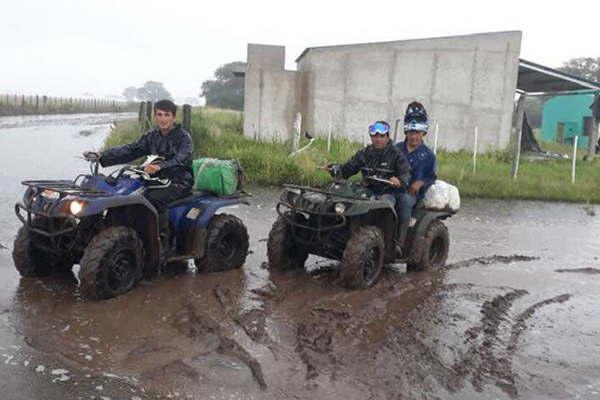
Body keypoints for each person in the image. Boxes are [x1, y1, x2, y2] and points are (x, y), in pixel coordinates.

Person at [83, 99, 194, 262]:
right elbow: (131, 149)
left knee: (154, 200)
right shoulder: (152, 135)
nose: (163, 119)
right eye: (159, 115)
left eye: (167, 115)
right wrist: (102, 156)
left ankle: (162, 246)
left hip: (178, 181)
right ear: (155, 116)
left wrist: (160, 166)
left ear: (173, 117)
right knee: (124, 194)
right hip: (154, 179)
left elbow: (182, 159)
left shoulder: (183, 138)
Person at [330, 120, 411, 254]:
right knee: (342, 197)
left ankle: (396, 244)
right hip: (367, 190)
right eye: (375, 136)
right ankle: (340, 233)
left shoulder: (397, 155)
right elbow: (347, 170)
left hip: (389, 192)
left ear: (387, 137)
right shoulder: (364, 153)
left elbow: (406, 173)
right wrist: (335, 169)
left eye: (381, 136)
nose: (378, 139)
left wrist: (400, 179)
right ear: (371, 137)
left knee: (386, 206)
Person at [395, 101, 437, 242]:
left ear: (423, 132)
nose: (414, 136)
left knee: (405, 201)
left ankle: (400, 241)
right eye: (411, 133)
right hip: (392, 187)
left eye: (417, 133)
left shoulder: (428, 155)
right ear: (406, 132)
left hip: (411, 194)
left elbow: (431, 177)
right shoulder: (396, 149)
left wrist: (420, 182)